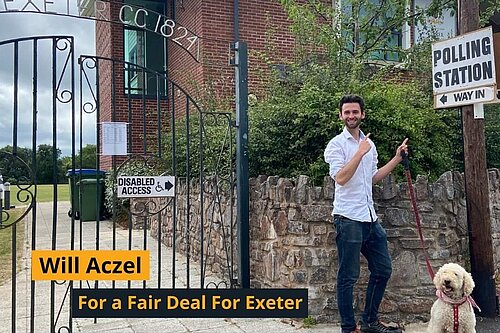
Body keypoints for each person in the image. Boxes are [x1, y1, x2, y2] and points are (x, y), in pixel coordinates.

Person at [324, 94, 408, 333]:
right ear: (341, 115)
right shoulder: (336, 145)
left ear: (362, 114)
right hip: (348, 218)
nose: (351, 116)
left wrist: (397, 158)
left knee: (383, 270)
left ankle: (370, 322)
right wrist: (359, 152)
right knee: (348, 277)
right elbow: (340, 178)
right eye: (347, 112)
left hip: (370, 219)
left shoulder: (369, 144)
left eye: (355, 112)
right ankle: (349, 328)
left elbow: (372, 178)